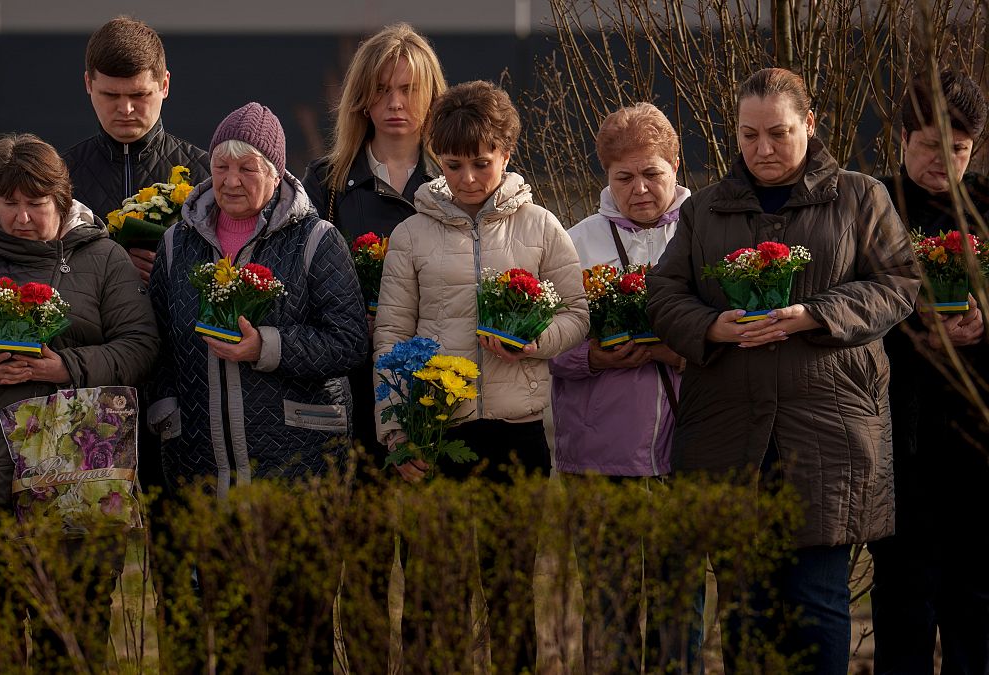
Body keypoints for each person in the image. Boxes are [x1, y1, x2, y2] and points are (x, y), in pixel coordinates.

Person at [647, 67, 920, 674]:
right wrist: (712, 327)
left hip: (827, 431)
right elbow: (663, 294)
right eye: (748, 135)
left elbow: (899, 284)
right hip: (726, 430)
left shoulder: (859, 196)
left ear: (810, 125)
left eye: (779, 132)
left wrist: (813, 316)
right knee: (745, 606)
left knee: (818, 602)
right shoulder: (707, 209)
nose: (762, 149)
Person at [0, 133, 159, 670]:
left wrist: (67, 366)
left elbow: (140, 345)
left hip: (75, 477)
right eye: (8, 202)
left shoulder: (104, 259)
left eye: (35, 204)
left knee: (70, 642)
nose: (21, 217)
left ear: (62, 201)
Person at [373, 80, 590, 669]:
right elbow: (391, 338)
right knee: (429, 594)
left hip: (516, 434)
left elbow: (577, 313)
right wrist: (396, 434)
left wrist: (532, 344)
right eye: (452, 164)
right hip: (435, 434)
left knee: (511, 590)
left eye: (481, 162)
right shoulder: (410, 234)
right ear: (435, 159)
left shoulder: (542, 227)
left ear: (507, 153)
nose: (468, 177)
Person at [146, 101, 365, 670]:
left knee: (298, 639)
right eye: (222, 167)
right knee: (232, 634)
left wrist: (265, 348)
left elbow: (348, 343)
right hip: (205, 471)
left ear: (277, 172)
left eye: (249, 167)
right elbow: (161, 346)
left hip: (298, 470)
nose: (232, 180)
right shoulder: (178, 244)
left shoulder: (317, 241)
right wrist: (168, 414)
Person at [548, 102, 698, 672]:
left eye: (652, 173)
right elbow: (542, 343)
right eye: (623, 177)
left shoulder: (702, 233)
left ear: (677, 165)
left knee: (678, 615)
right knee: (607, 612)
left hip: (685, 452)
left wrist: (680, 351)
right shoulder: (575, 242)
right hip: (599, 459)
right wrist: (591, 357)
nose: (639, 189)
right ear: (605, 177)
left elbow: (733, 335)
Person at [869, 70, 989, 675]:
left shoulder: (987, 208)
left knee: (976, 595)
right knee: (903, 595)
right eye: (929, 146)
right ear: (903, 139)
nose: (943, 161)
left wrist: (985, 321)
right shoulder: (874, 206)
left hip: (976, 435)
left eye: (960, 151)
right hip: (897, 433)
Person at [302, 22, 447, 466]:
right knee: (364, 529)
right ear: (362, 97)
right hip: (352, 386)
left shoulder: (457, 182)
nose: (395, 103)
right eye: (382, 89)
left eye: (408, 89)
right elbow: (300, 282)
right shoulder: (326, 183)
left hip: (441, 382)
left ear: (432, 96)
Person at [62, 15, 210, 284]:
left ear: (164, 85)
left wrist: (177, 270)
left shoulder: (209, 175)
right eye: (111, 95)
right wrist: (108, 265)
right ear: (88, 84)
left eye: (139, 95)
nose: (126, 109)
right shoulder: (58, 177)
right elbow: (36, 264)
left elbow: (236, 264)